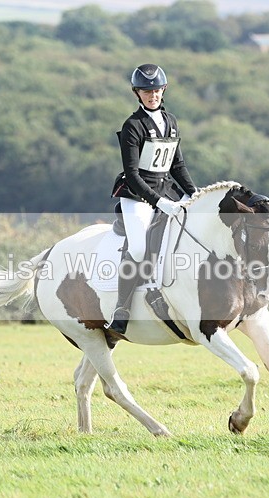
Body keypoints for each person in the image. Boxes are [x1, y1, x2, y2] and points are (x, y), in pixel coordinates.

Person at [106, 63, 198, 335]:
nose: (152, 95)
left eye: (156, 90)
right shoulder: (133, 125)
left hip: (167, 191)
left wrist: (195, 194)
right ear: (137, 93)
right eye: (146, 91)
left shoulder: (171, 122)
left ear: (163, 90)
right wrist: (160, 203)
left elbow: (177, 166)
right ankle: (121, 309)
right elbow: (132, 175)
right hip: (137, 197)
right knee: (137, 249)